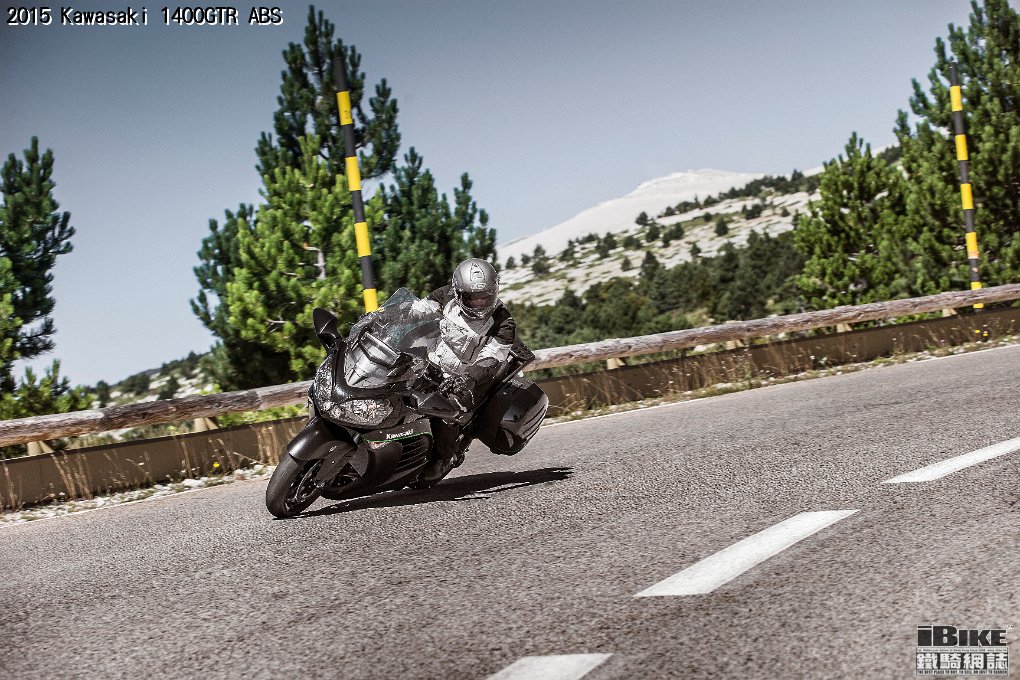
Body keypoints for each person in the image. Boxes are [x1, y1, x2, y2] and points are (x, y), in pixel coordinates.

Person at [412, 257, 516, 487]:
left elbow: (491, 359)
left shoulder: (503, 322)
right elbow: (417, 311)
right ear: (459, 292)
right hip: (429, 363)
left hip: (467, 379)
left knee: (448, 408)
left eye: (485, 297)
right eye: (472, 297)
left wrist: (468, 378)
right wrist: (387, 318)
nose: (479, 303)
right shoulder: (445, 295)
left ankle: (443, 459)